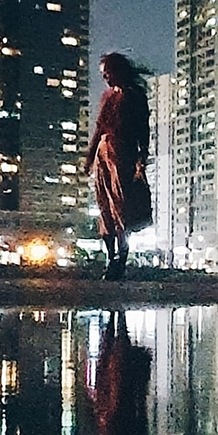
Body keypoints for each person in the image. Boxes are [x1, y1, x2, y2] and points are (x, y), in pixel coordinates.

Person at [85, 52, 151, 278]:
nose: (106, 78)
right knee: (104, 206)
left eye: (108, 73)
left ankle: (121, 256)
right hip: (104, 152)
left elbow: (144, 129)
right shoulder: (107, 97)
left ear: (119, 71)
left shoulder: (135, 97)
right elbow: (99, 128)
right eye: (103, 74)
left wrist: (142, 157)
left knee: (121, 206)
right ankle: (111, 256)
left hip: (123, 151)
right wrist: (89, 158)